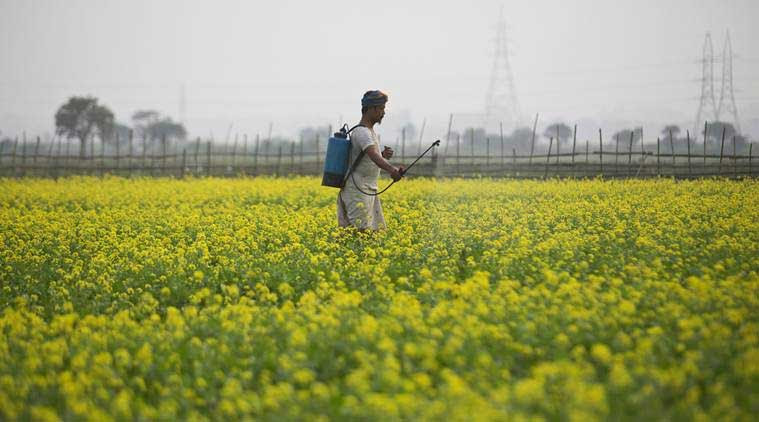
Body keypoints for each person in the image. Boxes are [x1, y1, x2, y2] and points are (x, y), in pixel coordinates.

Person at [337, 90, 405, 231]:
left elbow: (370, 156)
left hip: (368, 189)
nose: (383, 113)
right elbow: (373, 155)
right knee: (360, 232)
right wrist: (392, 170)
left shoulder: (369, 132)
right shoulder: (363, 132)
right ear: (371, 109)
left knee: (372, 232)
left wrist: (382, 155)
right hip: (357, 190)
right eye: (381, 108)